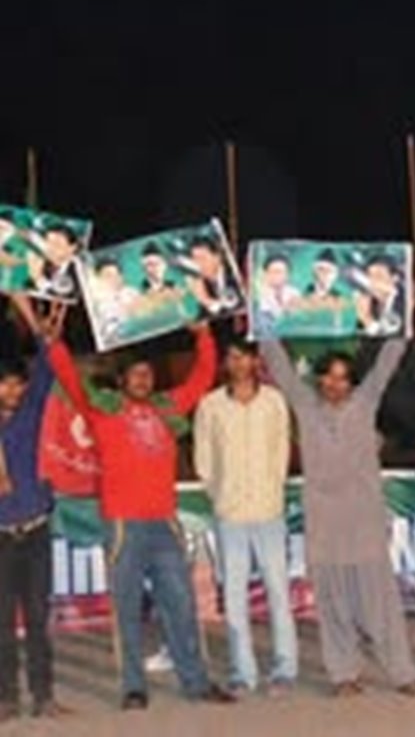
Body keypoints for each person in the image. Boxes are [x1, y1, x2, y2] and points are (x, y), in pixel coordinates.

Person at [48, 322, 235, 709]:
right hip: (123, 525)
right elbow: (70, 381)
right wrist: (53, 345)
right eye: (135, 374)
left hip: (164, 523)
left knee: (181, 605)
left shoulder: (167, 409)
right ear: (121, 381)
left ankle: (196, 682)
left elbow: (201, 378)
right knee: (127, 610)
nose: (143, 379)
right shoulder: (103, 412)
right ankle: (133, 687)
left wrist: (203, 336)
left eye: (147, 374)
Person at [260, 338, 415, 697]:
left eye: (343, 378)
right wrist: (264, 330)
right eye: (329, 377)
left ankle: (403, 673)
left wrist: (402, 321)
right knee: (333, 603)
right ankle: (343, 674)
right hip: (325, 524)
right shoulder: (305, 406)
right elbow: (282, 369)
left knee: (379, 604)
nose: (335, 385)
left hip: (364, 522)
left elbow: (385, 363)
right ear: (319, 379)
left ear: (352, 383)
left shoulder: (365, 403)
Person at [194, 338, 298, 697]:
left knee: (278, 591)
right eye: (232, 357)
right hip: (231, 513)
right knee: (234, 595)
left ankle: (284, 669)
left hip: (269, 510)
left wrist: (272, 489)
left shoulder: (274, 401)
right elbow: (204, 459)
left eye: (244, 357)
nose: (238, 364)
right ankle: (243, 672)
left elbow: (281, 451)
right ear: (225, 363)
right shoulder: (211, 406)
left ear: (255, 361)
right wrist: (221, 495)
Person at [0, 297, 70, 722]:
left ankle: (44, 696)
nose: (13, 391)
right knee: (2, 623)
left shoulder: (29, 415)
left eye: (17, 384)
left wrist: (38, 327)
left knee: (40, 617)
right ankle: (6, 698)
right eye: (5, 384)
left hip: (36, 530)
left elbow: (46, 368)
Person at [186, 236, 241, 318]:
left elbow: (237, 309)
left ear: (217, 257)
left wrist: (205, 299)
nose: (197, 264)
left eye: (202, 258)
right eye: (194, 259)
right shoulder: (199, 281)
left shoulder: (235, 276)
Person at [353, 254, 405, 336]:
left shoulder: (405, 302)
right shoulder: (367, 302)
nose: (372, 281)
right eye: (369, 275)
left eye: (379, 275)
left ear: (395, 278)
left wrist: (368, 321)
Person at [25, 224, 80, 300]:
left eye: (57, 244)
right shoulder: (41, 264)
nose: (50, 248)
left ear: (72, 248)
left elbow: (67, 298)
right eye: (48, 242)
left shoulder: (79, 272)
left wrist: (38, 279)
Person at [258, 254, 301, 324]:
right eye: (272, 272)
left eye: (279, 272)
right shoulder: (258, 297)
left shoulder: (294, 292)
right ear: (265, 274)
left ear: (288, 275)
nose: (275, 276)